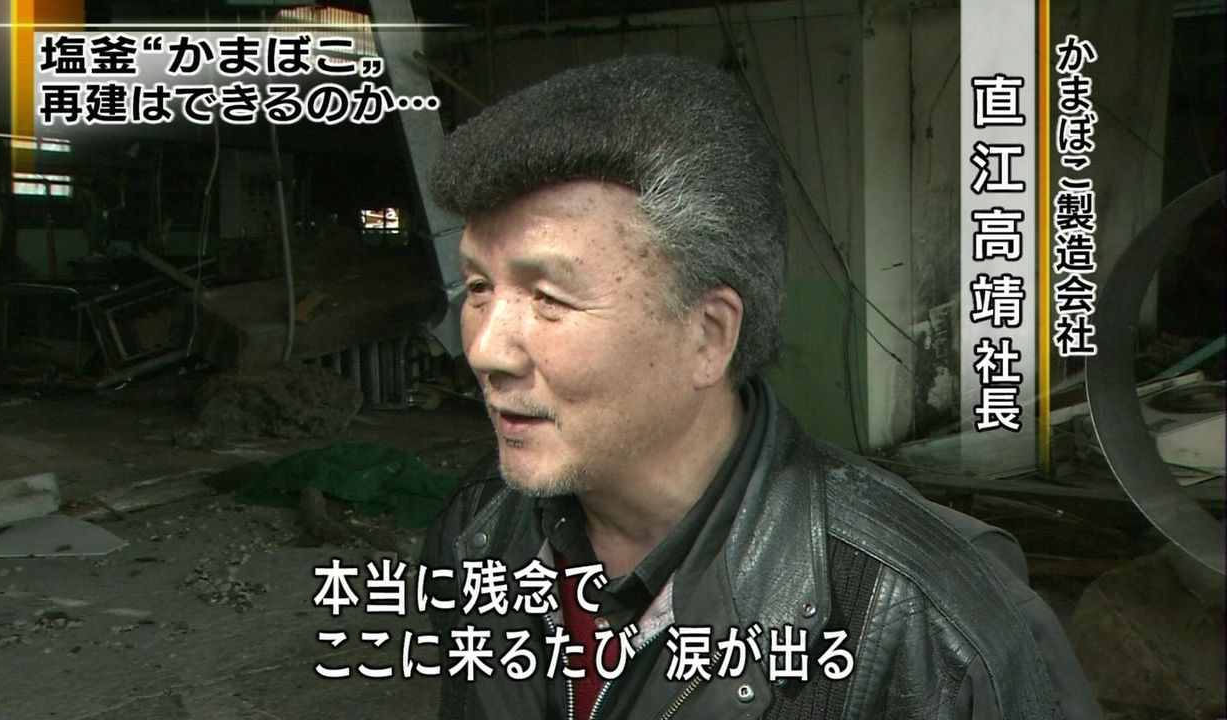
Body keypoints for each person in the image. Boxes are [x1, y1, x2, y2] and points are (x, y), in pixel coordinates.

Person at [420, 54, 1101, 720]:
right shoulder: (481, 529)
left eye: (548, 297)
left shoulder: (933, 624)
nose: (484, 349)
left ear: (708, 334)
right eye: (478, 287)